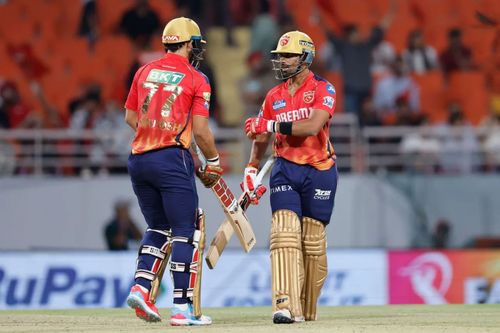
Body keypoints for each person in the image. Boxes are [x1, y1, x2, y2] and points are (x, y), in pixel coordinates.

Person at [123, 17, 222, 326]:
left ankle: (141, 288)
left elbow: (129, 116)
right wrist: (214, 161)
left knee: (157, 228)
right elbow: (202, 131)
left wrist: (156, 134)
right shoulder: (197, 78)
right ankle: (181, 309)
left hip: (140, 159)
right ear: (189, 43)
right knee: (184, 233)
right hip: (171, 160)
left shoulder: (144, 71)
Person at [243, 31, 338, 324]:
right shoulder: (274, 95)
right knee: (283, 234)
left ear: (306, 57)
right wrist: (251, 168)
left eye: (288, 55)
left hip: (319, 170)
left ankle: (306, 308)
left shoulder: (324, 88)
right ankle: (284, 305)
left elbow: (312, 126)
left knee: (312, 242)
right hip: (285, 168)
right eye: (280, 56)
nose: (282, 61)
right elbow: (260, 134)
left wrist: (270, 124)